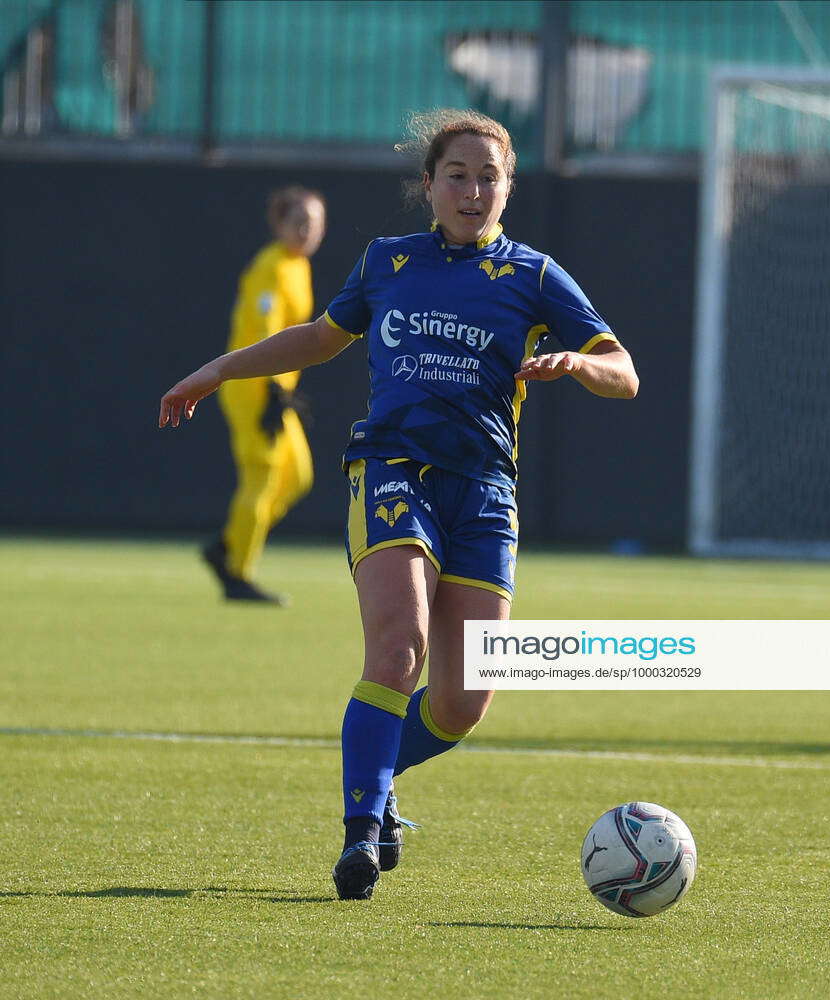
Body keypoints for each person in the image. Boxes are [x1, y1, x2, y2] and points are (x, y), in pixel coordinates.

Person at [159, 110, 638, 900]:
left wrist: (583, 369)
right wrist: (214, 373)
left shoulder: (535, 275)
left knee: (461, 702)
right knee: (398, 648)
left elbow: (625, 370)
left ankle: (380, 778)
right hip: (391, 470)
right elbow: (319, 336)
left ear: (508, 188)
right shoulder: (389, 261)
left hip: (483, 490)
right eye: (458, 174)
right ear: (429, 186)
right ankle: (359, 836)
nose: (474, 190)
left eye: (490, 177)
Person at [202, 186, 327, 605]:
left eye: (315, 223)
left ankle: (227, 544)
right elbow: (263, 329)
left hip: (278, 390)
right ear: (279, 225)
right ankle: (237, 571)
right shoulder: (271, 266)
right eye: (300, 222)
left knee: (297, 475)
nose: (307, 230)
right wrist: (273, 386)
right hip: (253, 386)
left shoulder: (299, 266)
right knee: (264, 475)